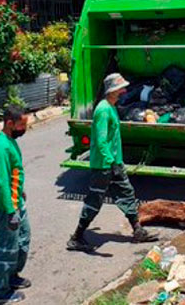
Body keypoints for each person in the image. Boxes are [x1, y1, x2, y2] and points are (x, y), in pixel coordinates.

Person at [67, 73, 158, 252]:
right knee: (95, 201)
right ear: (112, 90)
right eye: (121, 88)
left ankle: (138, 230)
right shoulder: (103, 110)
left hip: (114, 163)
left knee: (127, 193)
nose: (124, 90)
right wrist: (111, 163)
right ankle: (77, 237)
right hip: (104, 166)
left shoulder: (111, 107)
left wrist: (117, 163)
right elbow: (101, 141)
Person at [0, 105, 31, 304]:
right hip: (6, 208)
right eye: (22, 125)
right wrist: (11, 210)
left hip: (16, 202)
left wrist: (20, 192)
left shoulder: (10, 141)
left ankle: (12, 276)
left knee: (22, 241)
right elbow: (3, 182)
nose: (24, 129)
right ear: (10, 123)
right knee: (7, 249)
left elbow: (13, 174)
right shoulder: (1, 147)